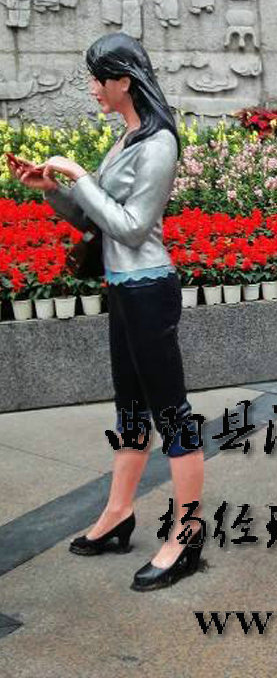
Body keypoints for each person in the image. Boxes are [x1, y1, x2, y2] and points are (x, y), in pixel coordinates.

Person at [9, 32, 204, 591]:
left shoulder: (159, 143)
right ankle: (119, 513)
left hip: (149, 289)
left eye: (99, 79)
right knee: (131, 409)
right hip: (122, 288)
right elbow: (96, 219)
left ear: (125, 80)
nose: (93, 88)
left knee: (171, 412)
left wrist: (80, 175)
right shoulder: (127, 138)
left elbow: (133, 227)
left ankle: (188, 536)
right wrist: (51, 188)